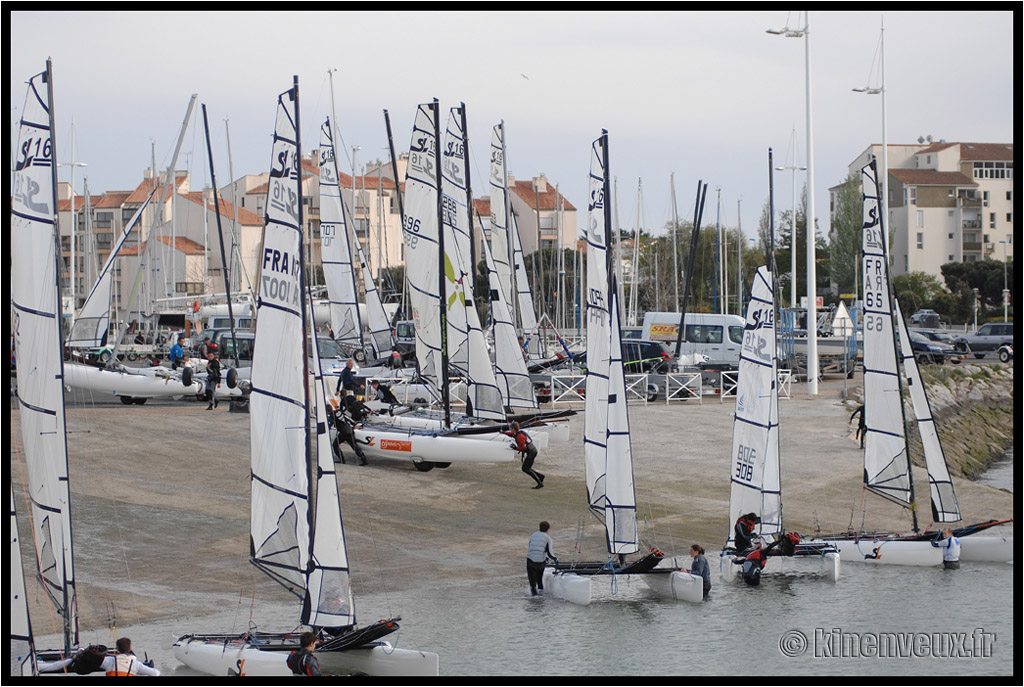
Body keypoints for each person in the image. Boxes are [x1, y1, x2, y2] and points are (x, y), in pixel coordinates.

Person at [506, 421, 544, 488]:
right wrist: (504, 433)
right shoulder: (518, 433)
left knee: (525, 468)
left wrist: (515, 448)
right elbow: (512, 434)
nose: (510, 430)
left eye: (510, 428)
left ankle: (540, 483)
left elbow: (522, 448)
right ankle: (541, 476)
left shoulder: (519, 436)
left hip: (532, 452)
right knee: (527, 468)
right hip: (532, 451)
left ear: (513, 429)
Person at [331, 398, 367, 466]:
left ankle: (342, 459)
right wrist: (354, 424)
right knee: (354, 446)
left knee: (335, 444)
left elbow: (330, 423)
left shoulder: (332, 415)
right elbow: (347, 418)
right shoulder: (339, 411)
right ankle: (364, 460)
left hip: (344, 432)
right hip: (350, 430)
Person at [526, 521, 558, 596]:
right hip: (540, 562)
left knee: (533, 584)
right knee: (539, 581)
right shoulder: (548, 538)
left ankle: (534, 596)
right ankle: (541, 599)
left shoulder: (533, 535)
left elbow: (531, 546)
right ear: (548, 529)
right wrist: (555, 559)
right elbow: (550, 553)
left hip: (530, 560)